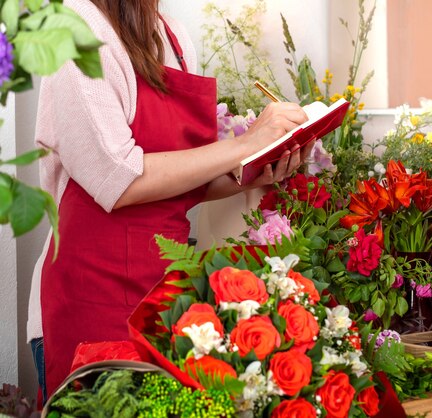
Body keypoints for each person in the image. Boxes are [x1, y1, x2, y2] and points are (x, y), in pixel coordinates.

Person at [27, 0, 314, 401]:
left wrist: (253, 168)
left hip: (166, 300)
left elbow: (185, 179)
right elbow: (117, 180)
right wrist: (244, 143)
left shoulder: (175, 38)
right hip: (89, 300)